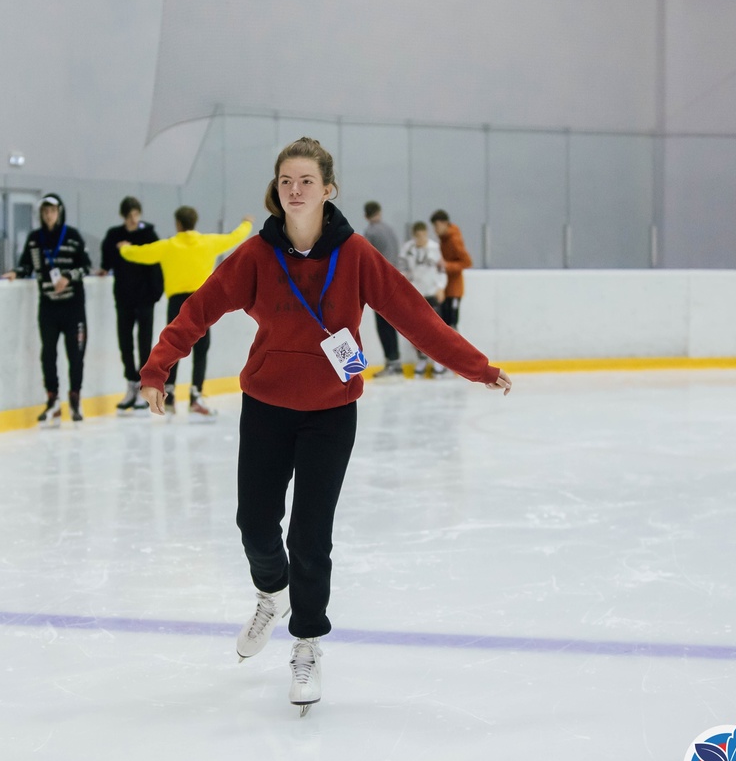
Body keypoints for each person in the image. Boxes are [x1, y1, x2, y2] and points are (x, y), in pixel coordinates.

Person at [138, 138, 512, 713]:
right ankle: (272, 594)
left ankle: (307, 643)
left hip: (331, 412)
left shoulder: (356, 255)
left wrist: (475, 367)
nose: (295, 190)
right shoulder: (254, 256)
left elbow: (415, 315)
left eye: (306, 181)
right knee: (254, 523)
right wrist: (158, 368)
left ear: (328, 190)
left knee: (310, 538)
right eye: (286, 180)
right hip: (266, 405)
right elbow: (198, 309)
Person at [119, 206, 252, 420]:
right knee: (201, 349)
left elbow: (141, 253)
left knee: (174, 346)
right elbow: (234, 238)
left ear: (178, 224)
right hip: (202, 301)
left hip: (177, 304)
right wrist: (246, 223)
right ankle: (195, 396)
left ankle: (170, 395)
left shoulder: (169, 246)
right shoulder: (208, 242)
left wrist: (125, 249)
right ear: (194, 222)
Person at [2, 192, 93, 425]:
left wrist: (68, 276)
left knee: (76, 355)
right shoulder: (35, 239)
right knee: (48, 354)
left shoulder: (72, 236)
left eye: (52, 211)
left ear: (59, 212)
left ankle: (75, 398)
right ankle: (52, 400)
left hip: (73, 307)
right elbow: (26, 265)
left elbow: (86, 266)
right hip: (48, 307)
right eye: (45, 211)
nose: (48, 215)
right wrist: (16, 272)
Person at [100, 196, 162, 415]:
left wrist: (155, 294)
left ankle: (143, 388)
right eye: (129, 216)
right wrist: (106, 265)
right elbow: (107, 260)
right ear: (123, 216)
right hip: (124, 298)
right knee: (125, 343)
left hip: (145, 299)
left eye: (136, 214)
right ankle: (131, 383)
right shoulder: (114, 235)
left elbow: (157, 263)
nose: (133, 219)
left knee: (145, 344)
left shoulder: (149, 235)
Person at [363, 201, 405, 379]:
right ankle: (395, 361)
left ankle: (391, 362)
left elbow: (367, 258)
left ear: (366, 215)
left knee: (383, 324)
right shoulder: (390, 229)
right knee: (391, 322)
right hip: (394, 280)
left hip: (380, 282)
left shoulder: (370, 232)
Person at [399, 221, 447, 377]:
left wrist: (440, 287)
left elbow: (441, 270)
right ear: (414, 236)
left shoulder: (435, 248)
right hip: (416, 295)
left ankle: (439, 361)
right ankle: (422, 359)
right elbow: (402, 270)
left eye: (424, 235)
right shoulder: (407, 249)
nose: (422, 239)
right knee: (417, 330)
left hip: (431, 293)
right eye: (418, 236)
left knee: (436, 329)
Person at [429, 209, 472, 378]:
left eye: (437, 226)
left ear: (444, 223)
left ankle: (458, 362)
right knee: (446, 326)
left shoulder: (454, 239)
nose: (435, 230)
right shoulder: (443, 239)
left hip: (454, 290)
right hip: (445, 289)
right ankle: (450, 362)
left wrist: (446, 266)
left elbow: (467, 262)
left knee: (452, 326)